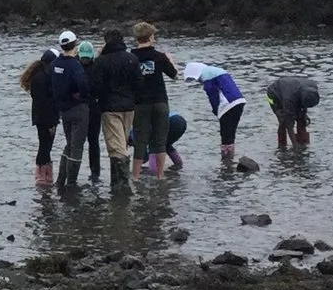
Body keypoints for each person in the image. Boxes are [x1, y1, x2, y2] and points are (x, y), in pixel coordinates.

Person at [88, 30, 140, 190]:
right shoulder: (132, 58)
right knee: (122, 142)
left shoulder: (102, 61)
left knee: (115, 146)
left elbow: (96, 87)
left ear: (106, 42)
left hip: (110, 107)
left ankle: (122, 185)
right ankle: (117, 184)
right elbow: (139, 82)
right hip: (129, 107)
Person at [127, 22, 179, 177]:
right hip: (159, 102)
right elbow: (175, 75)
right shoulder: (159, 56)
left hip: (140, 104)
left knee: (140, 141)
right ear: (150, 36)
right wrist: (170, 61)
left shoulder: (131, 58)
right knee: (160, 141)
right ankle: (160, 176)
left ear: (137, 38)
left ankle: (135, 177)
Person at [20, 33, 69, 183]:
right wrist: (51, 122)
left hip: (41, 117)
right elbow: (46, 102)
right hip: (46, 118)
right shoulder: (43, 79)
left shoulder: (39, 76)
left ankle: (45, 175)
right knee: (45, 146)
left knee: (45, 146)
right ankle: (42, 176)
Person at [48, 32, 94, 190]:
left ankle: (61, 180)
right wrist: (83, 96)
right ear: (75, 45)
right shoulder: (75, 65)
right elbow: (83, 83)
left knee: (69, 144)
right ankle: (72, 183)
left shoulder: (55, 64)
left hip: (63, 109)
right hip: (78, 109)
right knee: (77, 146)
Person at [187, 61, 245, 163]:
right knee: (231, 133)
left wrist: (216, 111)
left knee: (225, 135)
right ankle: (229, 161)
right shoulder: (215, 70)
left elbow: (213, 96)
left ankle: (226, 161)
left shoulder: (207, 75)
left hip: (227, 105)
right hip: (239, 101)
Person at [264, 74, 320, 149]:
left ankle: (302, 142)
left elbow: (303, 105)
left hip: (292, 91)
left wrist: (304, 114)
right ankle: (282, 146)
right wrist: (295, 145)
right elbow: (289, 124)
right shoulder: (289, 99)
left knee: (302, 120)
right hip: (273, 96)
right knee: (283, 120)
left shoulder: (313, 87)